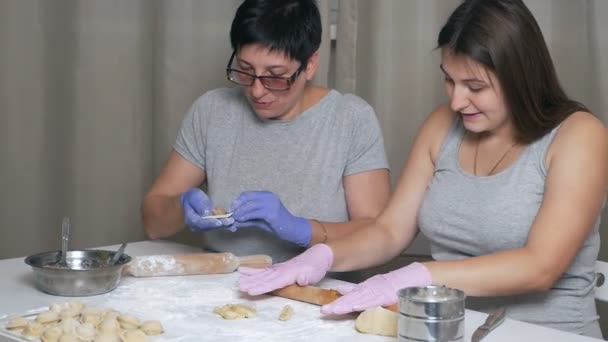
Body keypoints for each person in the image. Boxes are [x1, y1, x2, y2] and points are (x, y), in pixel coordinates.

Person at [238, 0, 608, 337]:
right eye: (449, 79)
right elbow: (388, 230)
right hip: (450, 329)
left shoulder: (579, 136)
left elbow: (540, 266)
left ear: (520, 76)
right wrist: (324, 255)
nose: (457, 100)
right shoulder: (443, 125)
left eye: (475, 86)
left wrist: (420, 275)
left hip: (549, 333)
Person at [141, 0, 390, 263]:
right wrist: (181, 208)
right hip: (223, 290)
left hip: (318, 291)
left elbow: (378, 233)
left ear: (310, 64)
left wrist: (303, 230)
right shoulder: (212, 111)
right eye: (246, 71)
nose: (257, 91)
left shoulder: (351, 119)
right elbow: (153, 223)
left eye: (275, 76)